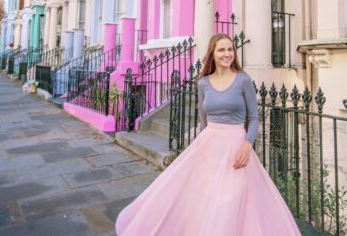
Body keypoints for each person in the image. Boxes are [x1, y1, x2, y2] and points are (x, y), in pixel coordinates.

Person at [115, 33, 301, 236]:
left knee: (229, 202)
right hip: (209, 146)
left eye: (230, 49)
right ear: (212, 53)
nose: (227, 54)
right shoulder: (203, 83)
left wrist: (248, 145)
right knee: (203, 199)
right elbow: (204, 122)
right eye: (222, 50)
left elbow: (254, 118)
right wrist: (202, 154)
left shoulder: (243, 80)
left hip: (236, 147)